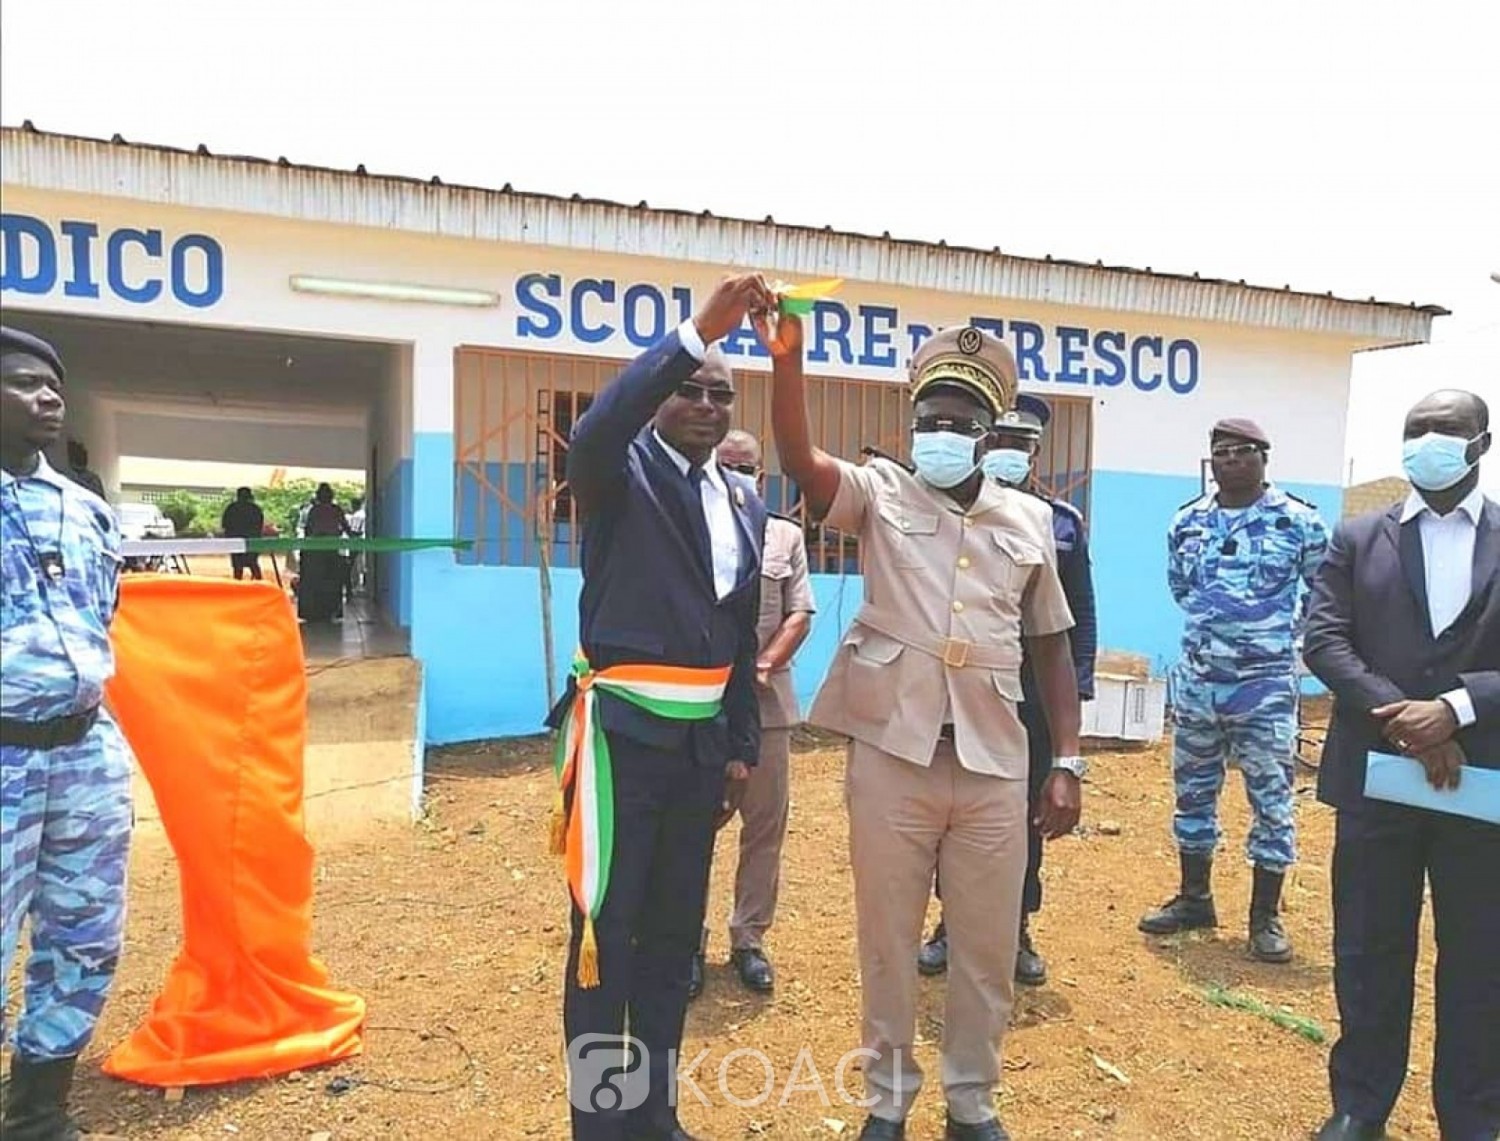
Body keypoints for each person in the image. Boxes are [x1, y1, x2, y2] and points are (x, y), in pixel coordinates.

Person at [761, 309, 1084, 1141]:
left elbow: (1052, 646)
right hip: (894, 757)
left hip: (993, 764)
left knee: (984, 945)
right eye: (930, 421)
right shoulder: (880, 493)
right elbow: (800, 460)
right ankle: (888, 1100)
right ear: (913, 427)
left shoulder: (1031, 520)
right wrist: (789, 364)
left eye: (961, 423)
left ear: (988, 434)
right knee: (888, 938)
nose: (943, 433)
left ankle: (972, 1101)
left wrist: (1070, 760)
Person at [547, 274, 769, 1141]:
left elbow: (739, 632)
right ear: (662, 393)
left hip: (699, 753)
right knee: (608, 938)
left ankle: (655, 1114)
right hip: (621, 746)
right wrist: (699, 330)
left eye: (722, 391)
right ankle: (602, 1125)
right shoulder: (617, 467)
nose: (708, 404)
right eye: (691, 386)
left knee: (675, 945)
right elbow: (600, 424)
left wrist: (740, 746)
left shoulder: (741, 496)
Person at [1303, 390, 1498, 1141]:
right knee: (1368, 946)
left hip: (1482, 787)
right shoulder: (1357, 538)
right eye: (1415, 430)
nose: (1427, 443)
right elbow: (1325, 640)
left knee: (1480, 958)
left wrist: (1457, 708)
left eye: (1445, 431)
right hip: (1377, 779)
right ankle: (1360, 1104)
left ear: (1480, 443)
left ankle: (1474, 1113)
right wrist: (1409, 721)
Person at [0, 326, 135, 1140]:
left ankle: (36, 1112)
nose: (48, 396)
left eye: (54, 384)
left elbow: (101, 616)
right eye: (23, 383)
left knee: (83, 933)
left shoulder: (85, 509)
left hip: (85, 750)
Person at [918, 393, 1097, 988]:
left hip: (1034, 699)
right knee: (954, 808)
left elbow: (1077, 620)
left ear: (1035, 452)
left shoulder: (1061, 525)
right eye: (998, 441)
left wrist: (1080, 692)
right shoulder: (946, 513)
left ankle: (1016, 924)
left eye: (1019, 445)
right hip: (967, 689)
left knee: (1025, 815)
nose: (1006, 454)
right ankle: (949, 924)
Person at [1140, 418, 1329, 963]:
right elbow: (1182, 587)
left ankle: (1264, 917)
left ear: (1265, 457)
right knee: (1193, 793)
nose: (1232, 460)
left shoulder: (1299, 523)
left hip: (1265, 688)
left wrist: (1281, 643)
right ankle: (1195, 898)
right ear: (1211, 460)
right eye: (1222, 451)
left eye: (1244, 451)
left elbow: (1324, 595)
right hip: (1199, 682)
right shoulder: (1188, 521)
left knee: (1271, 800)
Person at [692, 429, 815, 1000]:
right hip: (702, 706)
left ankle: (748, 939)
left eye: (748, 469)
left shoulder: (785, 536)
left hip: (767, 707)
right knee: (694, 828)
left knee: (764, 829)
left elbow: (799, 612)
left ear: (763, 478)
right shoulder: (694, 524)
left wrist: (762, 666)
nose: (738, 477)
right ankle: (685, 940)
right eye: (727, 465)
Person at [297, 483, 349, 623]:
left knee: (314, 582)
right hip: (331, 550)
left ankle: (314, 612)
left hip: (315, 551)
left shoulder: (314, 510)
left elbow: (308, 529)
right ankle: (331, 610)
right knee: (332, 581)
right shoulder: (336, 509)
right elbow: (345, 528)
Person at [220, 487, 266, 581]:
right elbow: (260, 526)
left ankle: (237, 588)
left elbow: (225, 525)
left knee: (238, 567)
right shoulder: (255, 509)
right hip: (251, 541)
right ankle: (260, 585)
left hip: (235, 541)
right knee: (253, 564)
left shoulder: (231, 508)